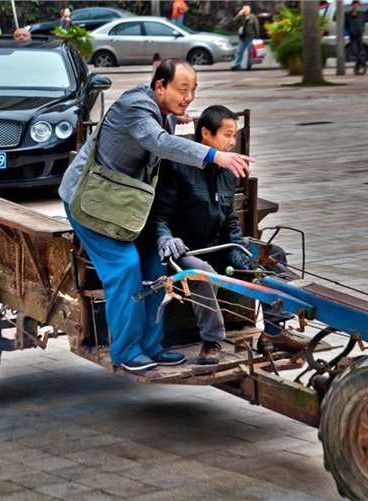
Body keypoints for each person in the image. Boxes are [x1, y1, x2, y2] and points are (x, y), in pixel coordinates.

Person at [58, 60, 253, 373]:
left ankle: (151, 345)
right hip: (91, 202)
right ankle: (126, 351)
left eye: (193, 90)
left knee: (157, 264)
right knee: (125, 267)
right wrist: (214, 155)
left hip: (127, 205)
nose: (189, 97)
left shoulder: (165, 113)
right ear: (160, 86)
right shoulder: (135, 107)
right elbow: (158, 143)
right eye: (182, 89)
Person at [149, 105, 306, 365]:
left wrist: (241, 252)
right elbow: (160, 217)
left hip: (217, 247)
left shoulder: (227, 173)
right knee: (201, 272)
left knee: (272, 255)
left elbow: (230, 220)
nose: (232, 142)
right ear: (206, 134)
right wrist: (167, 239)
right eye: (227, 135)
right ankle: (211, 341)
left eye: (234, 135)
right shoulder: (177, 167)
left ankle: (273, 331)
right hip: (183, 252)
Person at [231, 5, 260, 71]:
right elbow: (234, 21)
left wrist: (257, 36)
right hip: (242, 37)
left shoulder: (253, 17)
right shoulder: (241, 16)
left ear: (249, 10)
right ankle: (237, 65)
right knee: (239, 51)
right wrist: (239, 14)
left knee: (250, 52)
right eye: (244, 10)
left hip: (250, 37)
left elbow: (256, 26)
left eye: (247, 10)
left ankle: (249, 64)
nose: (246, 11)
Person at [345, 1, 367, 75]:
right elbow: (346, 25)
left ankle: (357, 69)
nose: (356, 6)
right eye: (354, 5)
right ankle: (363, 64)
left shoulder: (361, 14)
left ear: (359, 6)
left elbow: (363, 23)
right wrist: (348, 31)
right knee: (355, 52)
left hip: (360, 36)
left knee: (360, 52)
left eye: (357, 5)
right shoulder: (348, 15)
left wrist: (362, 30)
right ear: (352, 5)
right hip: (352, 36)